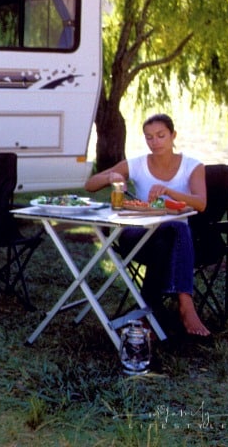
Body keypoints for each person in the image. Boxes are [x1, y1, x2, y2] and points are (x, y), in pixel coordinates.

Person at [84, 113, 210, 336]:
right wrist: (110, 177)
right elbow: (90, 185)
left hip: (175, 241)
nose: (155, 142)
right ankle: (185, 304)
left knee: (174, 231)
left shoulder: (192, 166)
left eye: (161, 135)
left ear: (173, 135)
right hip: (136, 235)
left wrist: (169, 190)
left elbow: (200, 204)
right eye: (149, 137)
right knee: (174, 232)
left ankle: (149, 312)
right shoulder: (138, 164)